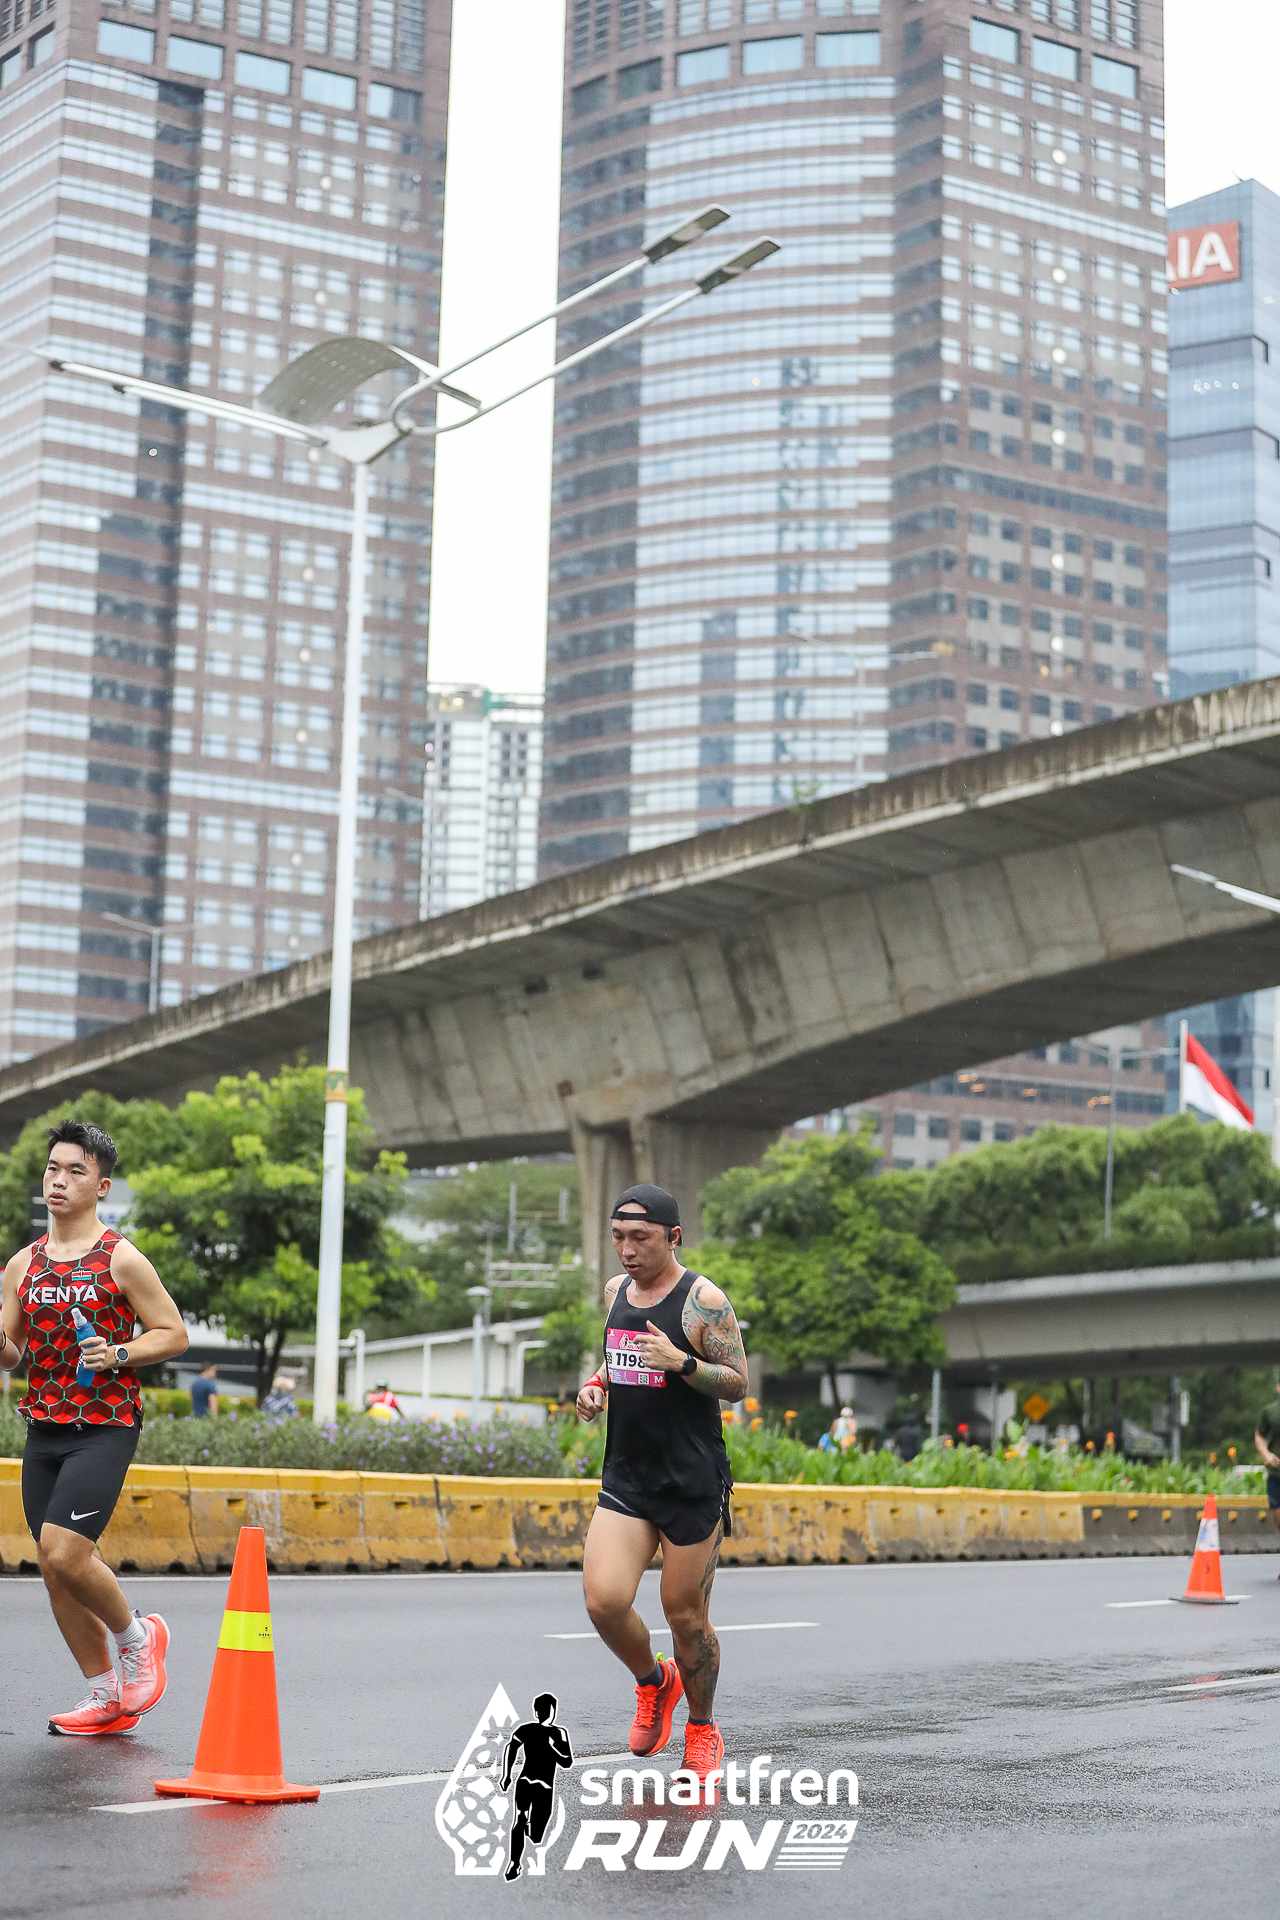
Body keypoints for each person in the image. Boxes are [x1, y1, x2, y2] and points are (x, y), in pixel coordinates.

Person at [0, 1120, 189, 1736]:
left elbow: (173, 1333)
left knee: (65, 1551)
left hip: (105, 1424)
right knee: (53, 1566)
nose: (58, 1180)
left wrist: (119, 1353)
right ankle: (104, 1695)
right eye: (53, 1168)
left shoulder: (121, 1258)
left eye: (75, 1171)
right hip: (45, 1427)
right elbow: (12, 1353)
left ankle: (139, 1638)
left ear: (101, 1186)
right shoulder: (23, 1265)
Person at [576, 1183, 748, 1798]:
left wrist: (683, 1363)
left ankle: (702, 1729)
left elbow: (737, 1382)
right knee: (604, 1602)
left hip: (690, 1483)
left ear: (673, 1237)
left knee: (685, 1617)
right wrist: (596, 1385)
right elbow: (619, 1356)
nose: (627, 1250)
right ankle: (654, 1682)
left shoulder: (704, 1302)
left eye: (640, 1238)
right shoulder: (615, 1293)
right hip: (628, 1477)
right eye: (618, 1237)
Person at [499, 1691, 573, 1882]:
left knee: (536, 1835)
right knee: (520, 1818)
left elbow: (567, 1762)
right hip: (529, 1782)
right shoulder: (529, 1729)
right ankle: (514, 1862)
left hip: (541, 1786)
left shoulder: (558, 1733)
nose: (547, 1713)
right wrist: (506, 1775)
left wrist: (551, 1747)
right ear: (537, 1712)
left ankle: (526, 1830)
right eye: (544, 1709)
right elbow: (511, 1747)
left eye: (548, 1709)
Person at [1253, 1383, 1280, 1561]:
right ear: (1278, 1387)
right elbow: (1259, 1435)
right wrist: (1267, 1454)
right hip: (1277, 1473)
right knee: (1278, 1515)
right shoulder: (1270, 1411)